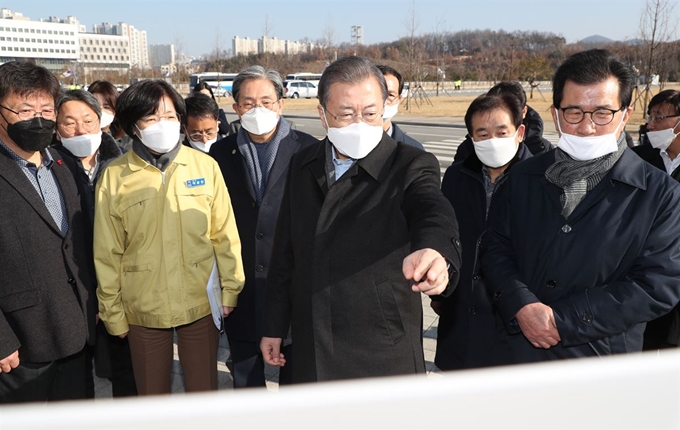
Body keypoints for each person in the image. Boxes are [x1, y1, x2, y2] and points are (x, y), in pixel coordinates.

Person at [260, 56, 461, 383]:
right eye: (345, 114)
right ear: (323, 116)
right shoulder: (302, 164)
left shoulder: (410, 164)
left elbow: (431, 208)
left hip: (381, 346)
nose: (359, 124)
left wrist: (437, 252)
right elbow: (285, 253)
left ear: (384, 109)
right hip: (312, 341)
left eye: (369, 114)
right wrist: (274, 327)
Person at [481, 49, 680, 364]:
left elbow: (659, 283)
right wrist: (521, 304)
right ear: (555, 113)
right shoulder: (522, 176)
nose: (587, 127)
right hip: (516, 354)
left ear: (625, 115)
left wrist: (564, 321)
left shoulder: (661, 193)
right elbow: (495, 247)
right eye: (573, 112)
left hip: (601, 361)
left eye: (603, 113)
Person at [93, 79, 245, 395]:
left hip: (199, 303)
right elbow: (107, 252)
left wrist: (230, 289)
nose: (163, 124)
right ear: (134, 125)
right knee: (152, 397)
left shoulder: (204, 165)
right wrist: (113, 312)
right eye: (151, 118)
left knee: (204, 391)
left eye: (170, 115)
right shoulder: (115, 175)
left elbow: (224, 233)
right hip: (142, 308)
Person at [210, 65, 318, 388]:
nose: (258, 109)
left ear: (281, 104)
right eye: (248, 102)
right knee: (244, 373)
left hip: (292, 284)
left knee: (296, 373)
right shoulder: (219, 154)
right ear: (235, 107)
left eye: (267, 101)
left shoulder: (309, 149)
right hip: (241, 285)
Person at [0, 61, 96, 403]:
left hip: (77, 330)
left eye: (46, 109)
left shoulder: (63, 164)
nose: (38, 119)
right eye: (25, 109)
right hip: (21, 346)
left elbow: (76, 243)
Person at [433, 92, 533, 371]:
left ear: (519, 132)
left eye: (502, 132)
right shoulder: (457, 176)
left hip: (514, 319)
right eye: (482, 133)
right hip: (460, 316)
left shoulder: (541, 179)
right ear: (471, 138)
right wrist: (441, 294)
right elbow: (445, 235)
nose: (493, 141)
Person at [52, 90, 137, 398]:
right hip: (74, 289)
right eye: (69, 122)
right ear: (56, 126)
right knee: (77, 376)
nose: (80, 130)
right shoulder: (47, 168)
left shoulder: (125, 162)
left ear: (101, 121)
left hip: (123, 286)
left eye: (88, 120)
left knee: (127, 369)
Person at [632, 89, 680, 349]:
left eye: (659, 117)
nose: (651, 124)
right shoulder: (639, 161)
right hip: (643, 277)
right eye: (650, 116)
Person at [454, 81, 552, 162]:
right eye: (484, 135)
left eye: (502, 133)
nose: (492, 141)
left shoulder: (543, 150)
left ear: (523, 111)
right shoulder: (467, 149)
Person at [376, 65, 424, 150]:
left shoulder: (413, 150)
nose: (383, 101)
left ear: (399, 99)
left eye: (390, 95)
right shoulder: (347, 145)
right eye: (376, 93)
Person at [87, 80, 133, 152]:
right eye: (95, 106)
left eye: (106, 107)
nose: (100, 111)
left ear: (115, 110)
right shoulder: (77, 137)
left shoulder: (127, 141)